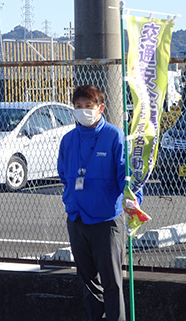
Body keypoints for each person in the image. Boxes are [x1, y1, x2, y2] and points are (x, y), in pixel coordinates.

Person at [57, 84, 142, 321]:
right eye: (78, 107)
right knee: (87, 281)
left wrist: (133, 200)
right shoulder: (68, 139)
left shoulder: (114, 136)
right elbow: (64, 174)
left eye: (88, 106)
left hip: (106, 221)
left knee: (112, 283)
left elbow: (127, 176)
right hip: (76, 218)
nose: (83, 111)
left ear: (100, 108)